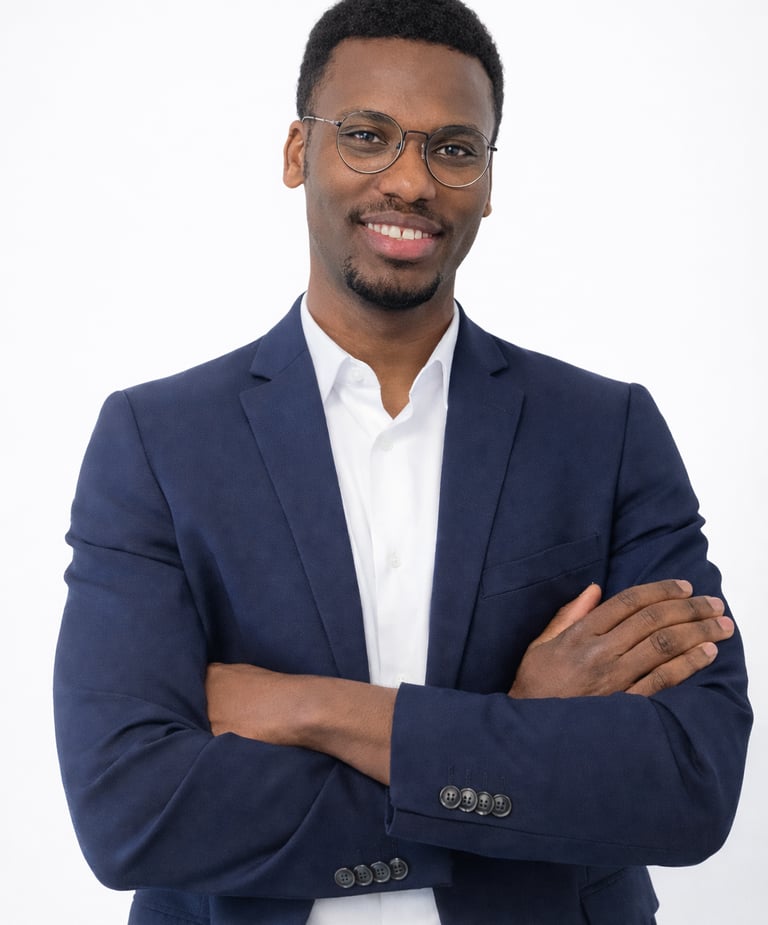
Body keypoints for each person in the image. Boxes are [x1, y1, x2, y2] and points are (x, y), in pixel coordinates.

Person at [53, 1, 752, 923]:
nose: (412, 180)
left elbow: (688, 783)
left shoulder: (606, 432)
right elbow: (131, 812)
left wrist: (311, 708)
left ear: (489, 181)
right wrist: (516, 729)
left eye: (454, 149)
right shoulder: (156, 441)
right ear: (298, 152)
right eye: (367, 135)